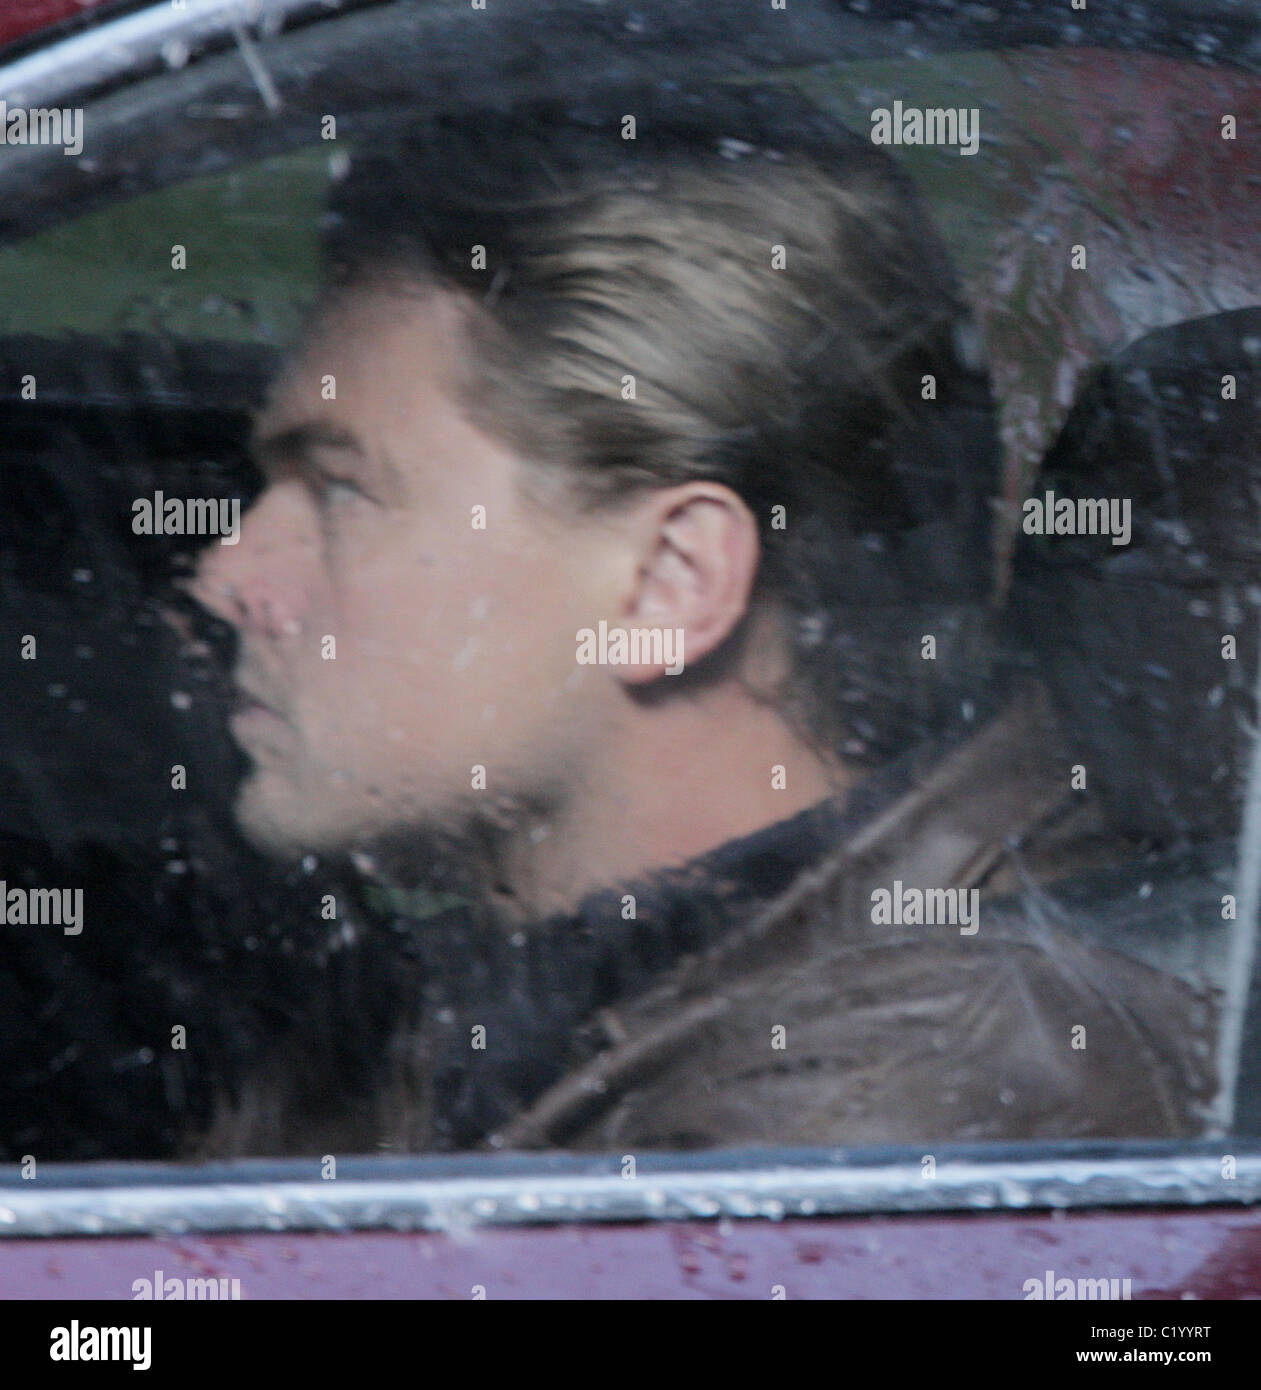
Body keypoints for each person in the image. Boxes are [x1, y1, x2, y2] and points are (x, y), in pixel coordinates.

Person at [190, 84, 1215, 1154]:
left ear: (668, 582)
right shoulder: (527, 984)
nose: (229, 576)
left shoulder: (889, 1110)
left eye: (342, 491)